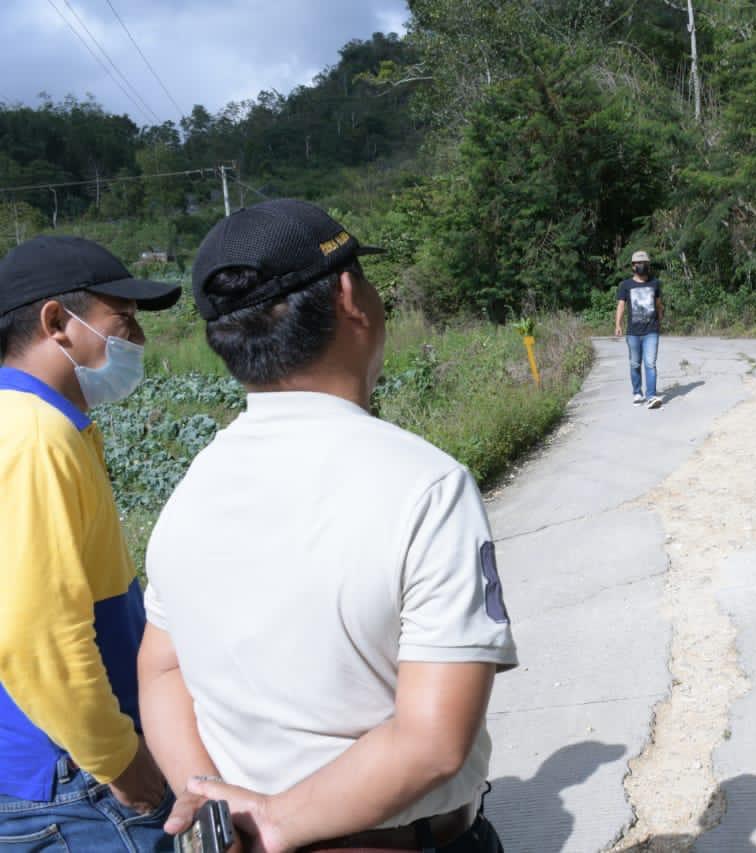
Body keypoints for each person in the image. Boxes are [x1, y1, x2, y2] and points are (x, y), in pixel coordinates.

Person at [137, 199, 518, 852]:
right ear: (350, 296)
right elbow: (432, 741)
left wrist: (208, 796)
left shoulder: (189, 493)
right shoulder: (426, 486)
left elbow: (160, 669)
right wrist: (280, 818)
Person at [0, 235, 181, 849]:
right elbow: (36, 633)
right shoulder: (33, 435)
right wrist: (122, 764)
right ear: (58, 323)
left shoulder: (41, 422)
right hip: (71, 780)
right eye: (122, 319)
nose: (137, 339)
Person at [614, 250, 664, 408]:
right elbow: (621, 305)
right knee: (635, 363)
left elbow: (658, 303)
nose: (642, 266)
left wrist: (661, 314)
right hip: (633, 332)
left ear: (648, 265)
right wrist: (618, 324)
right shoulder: (625, 285)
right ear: (633, 266)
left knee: (650, 363)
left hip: (651, 330)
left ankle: (651, 396)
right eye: (638, 263)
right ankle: (637, 392)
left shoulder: (655, 283)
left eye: (644, 263)